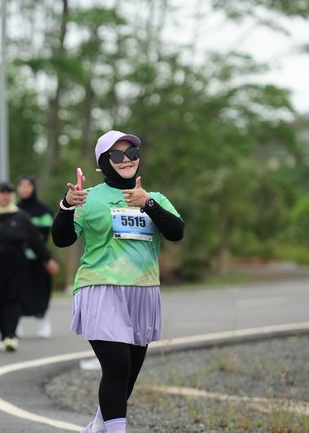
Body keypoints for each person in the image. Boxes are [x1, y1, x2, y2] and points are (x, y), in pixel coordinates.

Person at [51, 130, 184, 433]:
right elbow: (62, 239)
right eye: (117, 155)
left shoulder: (154, 198)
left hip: (143, 291)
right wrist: (66, 206)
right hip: (100, 287)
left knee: (129, 373)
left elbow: (176, 232)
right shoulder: (89, 198)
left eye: (132, 154)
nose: (126, 160)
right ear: (103, 162)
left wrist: (148, 204)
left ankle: (98, 427)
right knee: (118, 366)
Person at [0, 182, 58, 352]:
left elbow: (35, 241)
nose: (5, 197)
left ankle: (11, 336)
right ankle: (3, 336)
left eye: (8, 193)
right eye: (2, 193)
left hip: (16, 263)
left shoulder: (20, 216)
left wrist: (47, 260)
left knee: (12, 298)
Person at [16, 175, 59, 339]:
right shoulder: (15, 209)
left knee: (41, 290)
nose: (25, 189)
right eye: (22, 186)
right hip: (18, 258)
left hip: (39, 257)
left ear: (33, 188)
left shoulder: (43, 210)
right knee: (18, 290)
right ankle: (16, 322)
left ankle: (44, 321)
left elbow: (43, 233)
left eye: (28, 186)